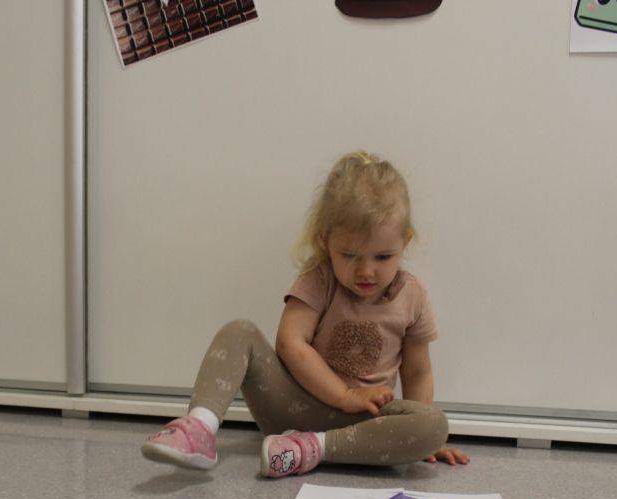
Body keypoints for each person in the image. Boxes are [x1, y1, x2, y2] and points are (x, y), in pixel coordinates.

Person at [142, 151, 469, 478]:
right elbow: (290, 342)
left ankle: (308, 449)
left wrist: (425, 442)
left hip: (364, 425)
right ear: (326, 241)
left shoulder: (412, 295)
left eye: (383, 257)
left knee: (433, 424)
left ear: (405, 242)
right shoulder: (320, 279)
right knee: (239, 332)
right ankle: (199, 428)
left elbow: (417, 372)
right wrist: (344, 395)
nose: (366, 271)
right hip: (294, 408)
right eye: (349, 255)